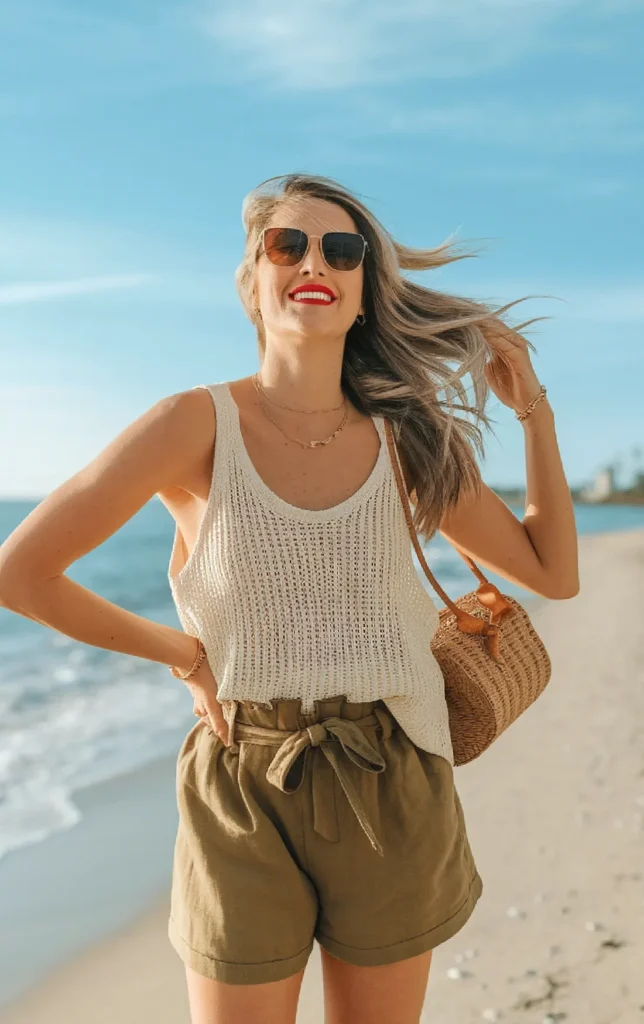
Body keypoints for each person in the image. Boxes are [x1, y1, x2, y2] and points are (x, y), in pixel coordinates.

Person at [0, 172, 579, 1024]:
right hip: (241, 778)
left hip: (394, 771)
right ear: (253, 282)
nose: (316, 261)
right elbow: (21, 572)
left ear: (361, 294)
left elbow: (551, 571)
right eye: (289, 244)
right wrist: (183, 654)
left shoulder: (408, 438)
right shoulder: (191, 425)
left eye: (342, 251)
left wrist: (535, 415)